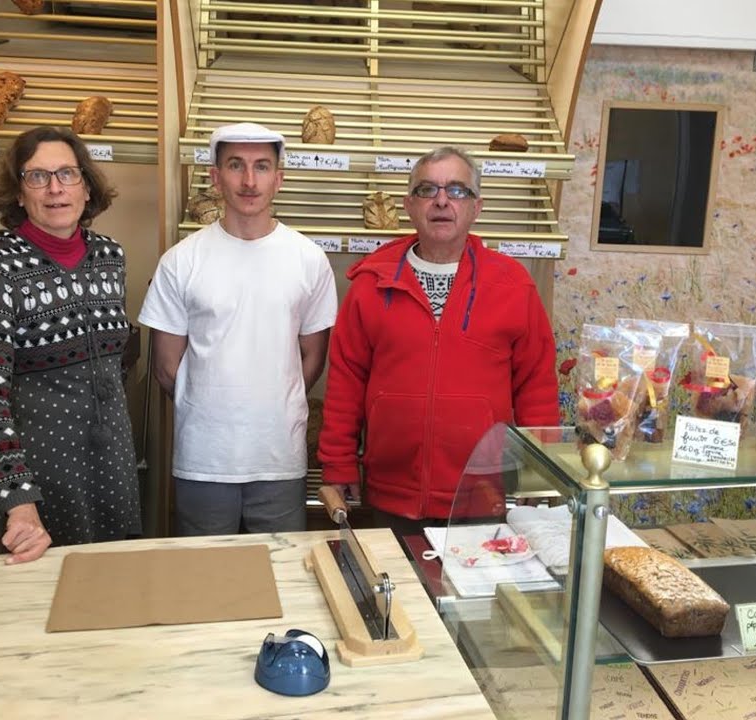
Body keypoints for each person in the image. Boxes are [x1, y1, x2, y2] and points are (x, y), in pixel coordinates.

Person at [318, 146, 559, 540]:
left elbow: (537, 387)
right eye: (428, 189)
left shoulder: (513, 286)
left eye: (457, 190)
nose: (442, 201)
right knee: (399, 598)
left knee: (473, 597)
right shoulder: (370, 285)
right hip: (391, 493)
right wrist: (339, 465)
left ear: (476, 207)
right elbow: (345, 383)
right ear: (410, 205)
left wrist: (540, 472)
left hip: (480, 493)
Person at [139, 122, 338, 536]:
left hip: (279, 457)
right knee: (205, 584)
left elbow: (313, 358)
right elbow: (165, 367)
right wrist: (211, 408)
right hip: (203, 461)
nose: (249, 180)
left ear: (278, 178)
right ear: (215, 177)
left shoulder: (308, 260)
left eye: (262, 166)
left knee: (283, 577)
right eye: (236, 165)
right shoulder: (181, 261)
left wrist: (269, 405)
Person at [0, 126, 142, 565]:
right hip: (42, 479)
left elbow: (111, 370)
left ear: (86, 186)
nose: (55, 188)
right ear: (19, 193)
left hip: (112, 469)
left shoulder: (109, 256)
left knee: (114, 598)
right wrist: (19, 503)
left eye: (67, 174)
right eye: (37, 176)